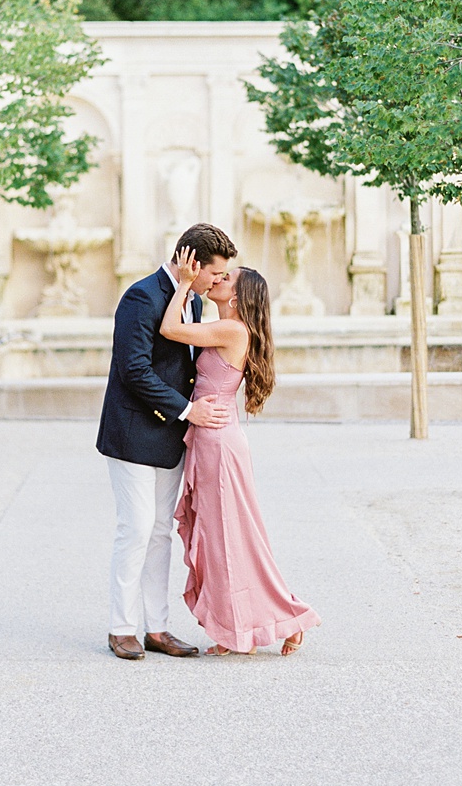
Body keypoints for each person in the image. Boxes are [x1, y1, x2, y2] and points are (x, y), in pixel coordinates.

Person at [161, 246, 321, 656]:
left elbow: (169, 329)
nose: (218, 279)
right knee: (221, 537)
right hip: (211, 438)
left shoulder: (232, 331)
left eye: (227, 279)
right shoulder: (223, 325)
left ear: (237, 298)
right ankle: (240, 629)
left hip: (218, 443)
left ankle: (287, 616)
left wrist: (182, 283)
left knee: (231, 537)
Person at [96, 223, 237, 661]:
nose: (218, 282)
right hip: (133, 432)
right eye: (214, 274)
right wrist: (188, 410)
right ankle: (121, 628)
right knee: (135, 529)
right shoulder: (141, 296)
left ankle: (157, 628)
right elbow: (134, 369)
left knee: (160, 533)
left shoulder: (190, 302)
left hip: (172, 436)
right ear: (190, 262)